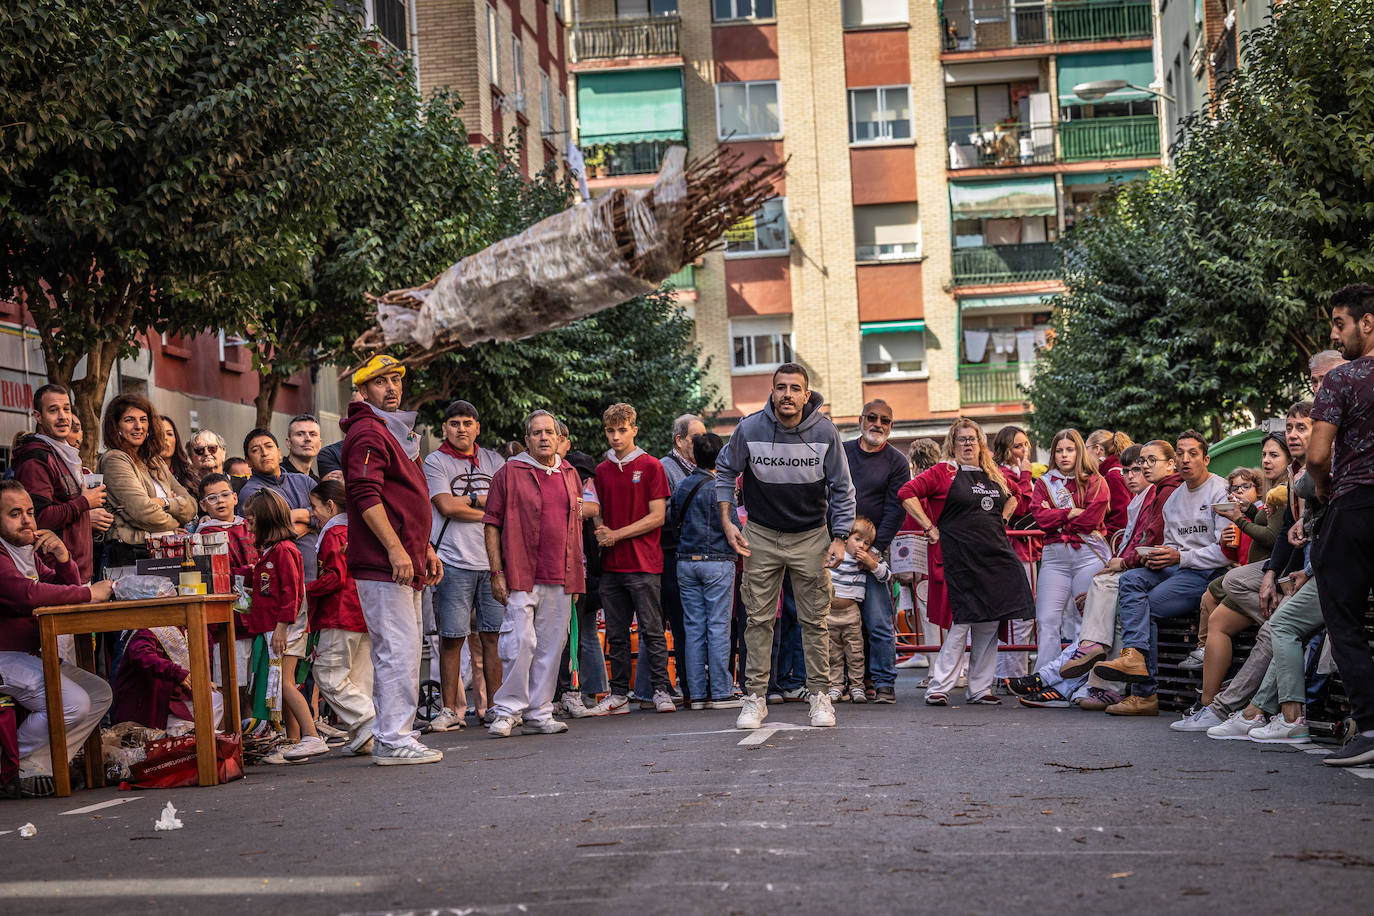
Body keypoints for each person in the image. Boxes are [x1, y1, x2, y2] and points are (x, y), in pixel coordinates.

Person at [715, 363, 856, 730]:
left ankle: (821, 697)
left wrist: (839, 538)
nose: (788, 394)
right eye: (781, 387)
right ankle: (755, 698)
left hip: (811, 535)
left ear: (806, 395)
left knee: (814, 620)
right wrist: (728, 521)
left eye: (795, 388)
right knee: (757, 619)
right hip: (761, 533)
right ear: (772, 391)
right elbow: (726, 470)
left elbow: (842, 487)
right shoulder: (750, 428)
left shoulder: (826, 432)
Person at [340, 354, 444, 765]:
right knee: (397, 650)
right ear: (363, 391)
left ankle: (393, 734)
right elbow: (365, 495)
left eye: (397, 380)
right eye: (381, 382)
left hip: (404, 560)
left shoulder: (391, 430)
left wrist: (425, 548)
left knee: (401, 649)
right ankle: (393, 738)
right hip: (386, 562)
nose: (393, 388)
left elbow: (409, 500)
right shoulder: (368, 431)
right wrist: (398, 549)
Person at [901, 419, 1034, 706]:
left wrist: (1005, 519)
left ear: (981, 443)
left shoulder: (993, 473)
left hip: (994, 556)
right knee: (960, 624)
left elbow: (1018, 496)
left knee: (988, 625)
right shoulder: (943, 471)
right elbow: (906, 493)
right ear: (953, 443)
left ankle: (979, 689)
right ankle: (940, 686)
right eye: (961, 439)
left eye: (972, 439)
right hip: (957, 558)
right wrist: (928, 527)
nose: (968, 444)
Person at [1093, 430, 1228, 715]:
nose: (1185, 459)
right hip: (1174, 567)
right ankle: (1132, 658)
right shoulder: (1174, 498)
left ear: (1206, 459)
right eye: (1180, 453)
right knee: (1130, 579)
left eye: (1192, 453)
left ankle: (1144, 694)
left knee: (1147, 607)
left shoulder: (1220, 490)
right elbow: (1170, 543)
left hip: (1206, 572)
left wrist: (1180, 556)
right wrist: (1159, 555)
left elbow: (1224, 551)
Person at [0, 481, 114, 797]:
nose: (26, 521)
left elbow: (61, 591)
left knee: (99, 693)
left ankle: (37, 768)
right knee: (74, 704)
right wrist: (89, 593)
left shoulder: (26, 550)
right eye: (14, 514)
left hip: (28, 654)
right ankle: (10, 767)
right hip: (5, 656)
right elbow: (27, 594)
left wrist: (63, 557)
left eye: (30, 512)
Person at [482, 410, 586, 737]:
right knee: (519, 642)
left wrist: (578, 573)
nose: (543, 437)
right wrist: (496, 571)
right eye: (536, 433)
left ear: (559, 438)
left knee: (551, 646)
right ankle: (507, 711)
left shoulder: (570, 473)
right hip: (520, 573)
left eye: (548, 432)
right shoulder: (510, 472)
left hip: (562, 575)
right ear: (527, 440)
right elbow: (491, 524)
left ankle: (539, 711)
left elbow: (575, 528)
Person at [1308, 283, 1374, 766]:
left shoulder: (1342, 379)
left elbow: (1315, 454)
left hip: (1356, 505)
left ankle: (1370, 729)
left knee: (1343, 618)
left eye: (1339, 323)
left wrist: (1324, 483)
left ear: (1366, 323)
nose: (1335, 333)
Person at [423, 400, 505, 731]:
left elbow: (507, 501)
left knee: (493, 638)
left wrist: (468, 501)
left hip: (492, 561)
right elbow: (445, 505)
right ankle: (450, 710)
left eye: (468, 423)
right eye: (454, 423)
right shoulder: (435, 461)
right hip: (453, 562)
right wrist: (486, 508)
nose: (461, 429)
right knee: (452, 638)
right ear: (445, 428)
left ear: (477, 428)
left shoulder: (494, 460)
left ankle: (498, 707)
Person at [589, 403, 675, 715]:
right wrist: (600, 529)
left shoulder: (652, 465)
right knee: (616, 633)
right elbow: (595, 509)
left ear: (634, 431)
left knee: (652, 630)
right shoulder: (600, 470)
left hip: (644, 563)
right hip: (611, 566)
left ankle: (662, 690)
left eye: (621, 430)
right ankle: (619, 693)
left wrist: (615, 534)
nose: (615, 436)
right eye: (610, 430)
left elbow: (658, 517)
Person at [241, 489, 328, 764]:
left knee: (287, 685)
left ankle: (311, 735)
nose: (249, 526)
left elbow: (292, 594)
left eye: (252, 520)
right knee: (283, 687)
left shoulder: (284, 551)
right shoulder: (272, 551)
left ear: (265, 520)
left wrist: (281, 628)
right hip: (277, 628)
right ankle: (293, 741)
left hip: (286, 630)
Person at [841, 399, 909, 704]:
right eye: (872, 417)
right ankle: (846, 681)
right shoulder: (841, 452)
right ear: (860, 420)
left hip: (875, 552)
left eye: (885, 420)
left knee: (878, 620)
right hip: (839, 549)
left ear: (891, 426)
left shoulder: (897, 461)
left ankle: (883, 682)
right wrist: (840, 541)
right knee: (838, 621)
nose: (877, 424)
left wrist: (874, 550)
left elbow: (896, 509)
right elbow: (828, 496)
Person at [305, 480, 375, 755]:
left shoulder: (333, 533)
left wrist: (306, 590)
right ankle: (364, 738)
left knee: (328, 673)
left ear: (330, 505)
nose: (313, 514)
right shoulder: (359, 529)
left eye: (315, 507)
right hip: (364, 611)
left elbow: (335, 577)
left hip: (339, 612)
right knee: (358, 677)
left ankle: (368, 720)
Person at [13, 384, 109, 584]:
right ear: (38, 416)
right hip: (55, 572)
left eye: (66, 409)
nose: (63, 416)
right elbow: (38, 518)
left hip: (77, 569)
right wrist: (84, 503)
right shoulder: (36, 459)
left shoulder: (64, 454)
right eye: (53, 410)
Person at [672, 432, 740, 710]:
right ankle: (722, 692)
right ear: (720, 456)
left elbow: (672, 519)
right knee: (718, 626)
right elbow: (734, 527)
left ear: (694, 456)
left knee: (694, 627)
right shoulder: (723, 488)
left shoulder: (682, 486)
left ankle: (697, 693)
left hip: (686, 561)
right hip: (718, 561)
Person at [1031, 429, 1110, 669]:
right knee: (1046, 619)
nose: (1064, 455)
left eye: (1070, 449)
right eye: (1059, 450)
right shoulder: (1045, 483)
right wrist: (1069, 512)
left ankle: (1078, 678)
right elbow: (1040, 518)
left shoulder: (1096, 480)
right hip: (1054, 558)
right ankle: (1046, 675)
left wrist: (1056, 517)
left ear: (1079, 452)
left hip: (1088, 555)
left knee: (1083, 620)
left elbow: (1090, 521)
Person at [99, 394, 196, 567]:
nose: (138, 426)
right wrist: (175, 524)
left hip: (161, 551)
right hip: (131, 553)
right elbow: (142, 512)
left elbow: (191, 506)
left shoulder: (154, 461)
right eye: (129, 420)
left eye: (143, 420)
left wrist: (164, 503)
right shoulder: (114, 459)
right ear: (116, 426)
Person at [653, 413, 706, 702]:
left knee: (689, 622)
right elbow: (664, 514)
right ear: (679, 440)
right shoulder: (665, 468)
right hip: (671, 554)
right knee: (675, 620)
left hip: (691, 553)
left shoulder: (700, 468)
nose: (701, 443)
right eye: (696, 438)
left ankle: (689, 684)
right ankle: (667, 686)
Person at [111, 625, 224, 733]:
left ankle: (195, 740)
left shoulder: (191, 627)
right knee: (191, 732)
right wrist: (177, 673)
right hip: (151, 703)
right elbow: (142, 656)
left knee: (214, 698)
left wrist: (200, 679)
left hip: (175, 697)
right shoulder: (148, 630)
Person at [991, 425, 1039, 679]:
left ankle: (1007, 673)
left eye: (1026, 445)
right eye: (1018, 446)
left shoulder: (1018, 472)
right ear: (1006, 449)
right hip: (1014, 551)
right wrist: (1027, 475)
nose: (1023, 451)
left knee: (1020, 617)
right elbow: (1023, 506)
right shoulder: (1002, 474)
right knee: (1018, 617)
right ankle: (1012, 675)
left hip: (1026, 551)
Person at [826, 517, 891, 705]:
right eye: (857, 539)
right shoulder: (833, 555)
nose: (861, 546)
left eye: (866, 543)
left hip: (851, 613)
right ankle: (836, 686)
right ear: (846, 538)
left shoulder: (864, 560)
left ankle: (857, 686)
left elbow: (886, 575)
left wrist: (871, 563)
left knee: (855, 652)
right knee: (833, 653)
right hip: (830, 614)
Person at [238, 428, 315, 537]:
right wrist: (311, 526)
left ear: (279, 453)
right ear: (248, 461)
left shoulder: (304, 480)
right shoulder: (252, 493)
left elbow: (329, 512)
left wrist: (298, 515)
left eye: (268, 446)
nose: (264, 453)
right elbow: (271, 535)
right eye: (255, 450)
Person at [1086, 430, 1134, 535]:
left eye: (1086, 448)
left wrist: (1106, 545)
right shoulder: (1116, 471)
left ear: (1097, 449)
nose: (1084, 454)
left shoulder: (1112, 476)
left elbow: (1120, 520)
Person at [161, 417, 197, 494]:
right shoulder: (140, 474)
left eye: (169, 434)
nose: (165, 438)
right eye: (159, 433)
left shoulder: (189, 475)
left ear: (176, 440)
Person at [284, 414, 323, 480]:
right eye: (300, 434)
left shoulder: (317, 484)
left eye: (313, 434)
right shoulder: (278, 477)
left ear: (320, 443)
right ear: (288, 443)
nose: (308, 439)